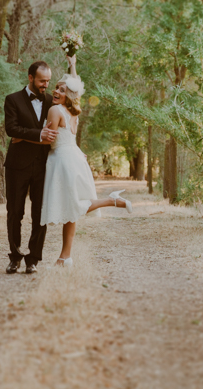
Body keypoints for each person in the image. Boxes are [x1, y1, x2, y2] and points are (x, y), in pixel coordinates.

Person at [37, 54, 133, 267]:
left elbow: (47, 140)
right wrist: (73, 66)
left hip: (62, 160)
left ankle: (112, 200)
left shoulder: (54, 110)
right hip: (74, 157)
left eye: (62, 90)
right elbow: (76, 90)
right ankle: (65, 256)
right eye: (56, 87)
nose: (56, 91)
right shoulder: (72, 112)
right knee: (71, 213)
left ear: (67, 95)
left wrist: (29, 137)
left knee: (72, 206)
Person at [3, 61, 58, 275]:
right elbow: (11, 129)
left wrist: (24, 136)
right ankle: (15, 257)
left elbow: (20, 133)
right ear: (30, 78)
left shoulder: (51, 103)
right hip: (17, 166)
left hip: (44, 166)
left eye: (48, 81)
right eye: (42, 81)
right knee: (14, 212)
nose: (46, 85)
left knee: (40, 214)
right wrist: (38, 134)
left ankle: (33, 259)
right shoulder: (13, 99)